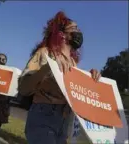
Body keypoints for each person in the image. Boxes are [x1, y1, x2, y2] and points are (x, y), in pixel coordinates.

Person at [18, 11, 101, 144]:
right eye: (74, 29)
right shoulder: (44, 54)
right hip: (44, 117)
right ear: (62, 34)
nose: (79, 32)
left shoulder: (74, 64)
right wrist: (47, 68)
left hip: (65, 120)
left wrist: (90, 79)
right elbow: (23, 87)